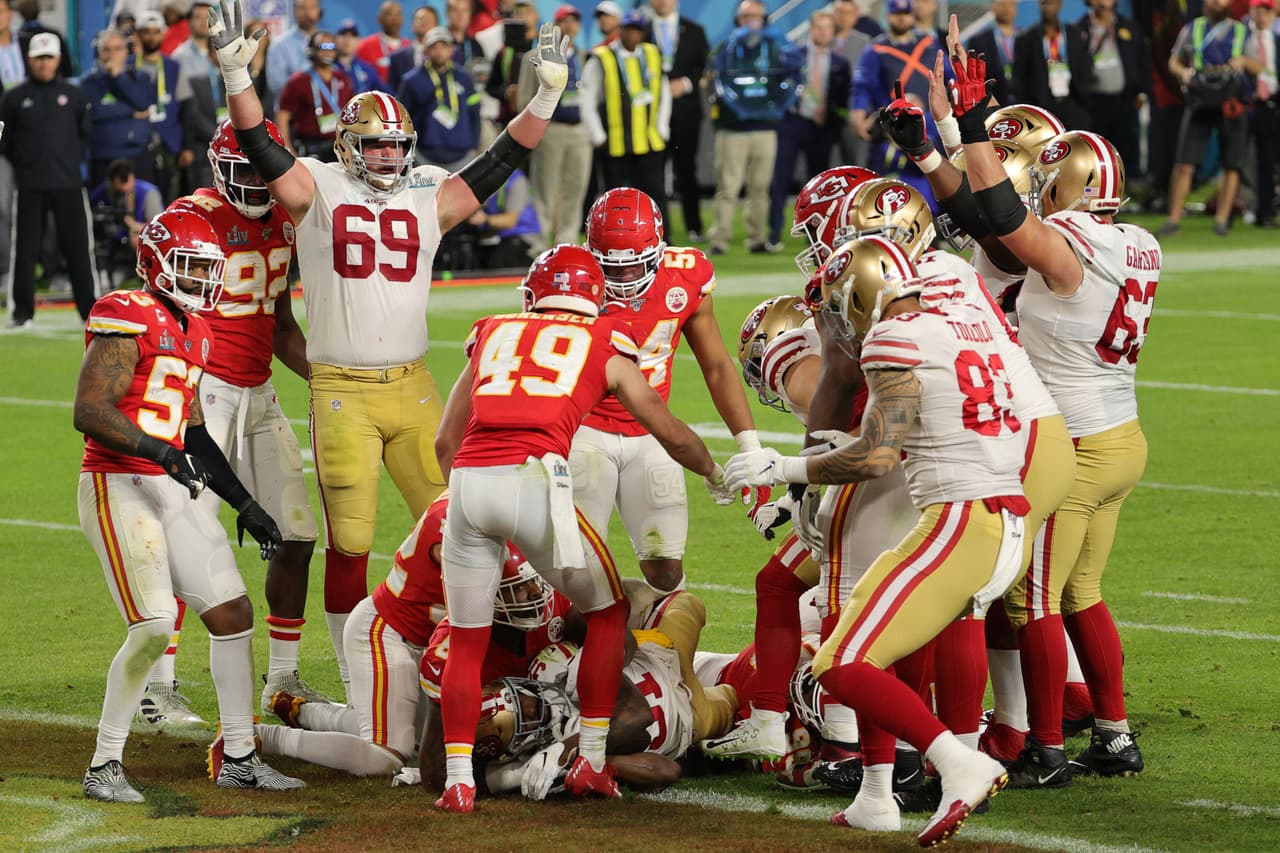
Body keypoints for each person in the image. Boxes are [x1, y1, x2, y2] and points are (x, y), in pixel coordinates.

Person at [209, 0, 575, 697]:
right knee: (349, 541)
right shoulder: (316, 183)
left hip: (413, 387)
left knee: (459, 524)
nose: (386, 157)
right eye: (374, 145)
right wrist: (237, 79)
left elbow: (499, 161)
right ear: (349, 144)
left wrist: (546, 97)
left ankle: (492, 655)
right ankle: (356, 675)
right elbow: (262, 146)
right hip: (342, 388)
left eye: (394, 146)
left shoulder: (427, 191)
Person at [723, 236, 1026, 842]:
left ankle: (959, 763)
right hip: (1003, 513)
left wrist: (786, 470)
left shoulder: (893, 334)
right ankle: (876, 795)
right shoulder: (958, 318)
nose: (835, 324)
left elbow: (877, 456)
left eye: (839, 305)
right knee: (896, 646)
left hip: (957, 520)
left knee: (840, 661)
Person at [430, 243, 730, 812]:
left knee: (466, 642)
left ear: (531, 294)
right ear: (596, 296)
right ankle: (591, 760)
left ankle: (458, 782)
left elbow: (446, 441)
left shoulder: (491, 330)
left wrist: (472, 509)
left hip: (468, 485)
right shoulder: (605, 341)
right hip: (534, 481)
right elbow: (667, 430)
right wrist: (715, 472)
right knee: (609, 613)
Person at [954, 44, 1158, 781]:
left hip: (1074, 445)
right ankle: (1113, 732)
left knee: (1031, 597)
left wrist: (972, 122)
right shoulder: (1140, 243)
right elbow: (996, 227)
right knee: (1082, 591)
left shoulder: (1071, 246)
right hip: (1123, 435)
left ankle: (1043, 746)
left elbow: (1005, 219)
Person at [74, 205, 301, 801]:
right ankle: (104, 766)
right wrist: (159, 451)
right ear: (155, 263)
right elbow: (91, 411)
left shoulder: (199, 332)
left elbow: (195, 434)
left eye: (208, 270)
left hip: (168, 485)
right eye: (189, 267)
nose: (202, 281)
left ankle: (240, 757)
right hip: (118, 483)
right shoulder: (127, 313)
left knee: (231, 613)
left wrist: (246, 503)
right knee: (151, 625)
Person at [573, 188, 757, 596]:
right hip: (582, 432)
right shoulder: (570, 279)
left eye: (633, 267)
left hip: (652, 433)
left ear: (659, 251)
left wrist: (750, 445)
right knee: (578, 565)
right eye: (611, 269)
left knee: (667, 570)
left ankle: (661, 648)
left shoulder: (686, 274)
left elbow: (716, 365)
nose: (622, 281)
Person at [1, 33, 97, 327]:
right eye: (39, 58)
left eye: (49, 57)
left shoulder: (75, 95)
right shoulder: (14, 97)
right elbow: (5, 140)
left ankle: (90, 312)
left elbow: (85, 135)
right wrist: (26, 162)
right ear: (29, 59)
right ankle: (21, 312)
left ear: (58, 59)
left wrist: (69, 162)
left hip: (68, 184)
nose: (44, 63)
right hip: (29, 185)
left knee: (80, 248)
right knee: (25, 251)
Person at [708, 1, 804, 255]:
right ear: (737, 19)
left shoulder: (774, 47)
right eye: (746, 16)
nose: (751, 21)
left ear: (764, 20)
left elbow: (790, 76)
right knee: (728, 187)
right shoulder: (725, 48)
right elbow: (712, 80)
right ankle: (719, 239)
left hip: (765, 127)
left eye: (756, 17)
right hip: (732, 129)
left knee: (760, 187)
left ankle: (757, 238)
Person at [1163, 0, 1262, 235]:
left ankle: (1221, 220)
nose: (1217, 3)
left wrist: (1244, 62)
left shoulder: (1241, 31)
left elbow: (1259, 67)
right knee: (1185, 163)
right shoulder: (1193, 29)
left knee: (1232, 164)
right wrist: (1183, 73)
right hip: (1200, 101)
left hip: (1231, 103)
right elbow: (1174, 61)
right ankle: (1173, 218)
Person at [851, 0, 949, 206]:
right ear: (888, 16)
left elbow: (949, 77)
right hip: (891, 130)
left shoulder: (930, 44)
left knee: (937, 179)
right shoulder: (876, 49)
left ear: (913, 16)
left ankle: (935, 228)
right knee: (889, 189)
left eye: (906, 13)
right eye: (897, 13)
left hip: (930, 127)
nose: (902, 17)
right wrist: (858, 111)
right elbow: (862, 85)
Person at [767, 12, 851, 250]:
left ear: (832, 32)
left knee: (818, 186)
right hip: (792, 123)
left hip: (821, 128)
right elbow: (778, 88)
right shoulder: (792, 57)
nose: (822, 32)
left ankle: (815, 238)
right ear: (811, 30)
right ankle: (774, 234)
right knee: (780, 180)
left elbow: (843, 98)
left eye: (827, 28)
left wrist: (830, 113)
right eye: (818, 28)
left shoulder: (840, 63)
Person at [581, 11, 670, 227]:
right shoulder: (602, 57)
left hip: (649, 140)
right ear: (621, 30)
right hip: (615, 142)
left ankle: (662, 239)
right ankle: (612, 238)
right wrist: (597, 135)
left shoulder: (652, 54)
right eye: (629, 29)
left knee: (656, 196)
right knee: (614, 199)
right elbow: (587, 97)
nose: (633, 34)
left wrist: (662, 127)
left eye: (637, 30)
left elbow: (664, 92)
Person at [518, 4, 590, 247]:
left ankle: (567, 242)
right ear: (555, 26)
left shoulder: (583, 56)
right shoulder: (534, 56)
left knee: (575, 189)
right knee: (545, 189)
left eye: (573, 21)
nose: (569, 25)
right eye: (564, 21)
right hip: (551, 129)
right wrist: (534, 129)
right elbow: (523, 97)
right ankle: (539, 243)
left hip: (579, 130)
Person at [646, 0, 710, 244]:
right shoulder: (641, 31)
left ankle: (694, 226)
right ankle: (658, 232)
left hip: (686, 113)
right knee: (653, 175)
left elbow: (704, 66)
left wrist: (684, 84)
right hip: (650, 115)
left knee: (687, 171)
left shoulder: (694, 30)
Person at [1079, 0, 1150, 184]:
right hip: (1092, 102)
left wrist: (1141, 91)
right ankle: (1094, 190)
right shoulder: (1079, 28)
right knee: (1093, 150)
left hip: (1124, 100)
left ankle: (1123, 192)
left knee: (1123, 149)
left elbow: (1142, 60)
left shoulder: (1129, 27)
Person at [82, 29, 158, 188]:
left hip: (137, 156)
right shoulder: (89, 82)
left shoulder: (141, 77)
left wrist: (118, 76)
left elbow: (143, 104)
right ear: (99, 53)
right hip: (103, 158)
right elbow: (95, 112)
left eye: (117, 49)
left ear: (125, 52)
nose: (112, 54)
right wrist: (131, 111)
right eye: (106, 49)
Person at [399, 27, 482, 171]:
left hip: (462, 155)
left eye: (443, 46)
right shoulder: (411, 80)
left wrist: (474, 146)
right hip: (423, 155)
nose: (439, 51)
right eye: (434, 47)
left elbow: (475, 113)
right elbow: (401, 119)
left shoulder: (465, 78)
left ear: (452, 49)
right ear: (426, 50)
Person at [1011, 0, 1095, 132]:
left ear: (1060, 4)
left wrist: (1085, 96)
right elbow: (1020, 78)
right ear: (1039, 5)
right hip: (1042, 108)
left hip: (1073, 104)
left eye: (1051, 3)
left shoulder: (1075, 33)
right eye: (1044, 3)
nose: (1048, 7)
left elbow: (1085, 65)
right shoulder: (1026, 38)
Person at [276, 31, 356, 162]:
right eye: (323, 47)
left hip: (340, 145)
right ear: (311, 50)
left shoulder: (342, 78)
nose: (327, 52)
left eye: (331, 48)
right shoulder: (297, 81)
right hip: (310, 147)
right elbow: (282, 117)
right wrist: (288, 150)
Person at [132, 11, 185, 201]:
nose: (151, 36)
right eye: (146, 32)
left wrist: (186, 146)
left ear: (163, 34)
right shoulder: (128, 66)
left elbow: (186, 109)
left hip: (169, 144)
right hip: (137, 144)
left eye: (156, 32)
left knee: (170, 198)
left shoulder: (174, 66)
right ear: (137, 34)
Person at [471, 167, 541, 268]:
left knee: (498, 261)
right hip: (499, 236)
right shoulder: (489, 180)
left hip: (523, 236)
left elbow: (511, 221)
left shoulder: (516, 180)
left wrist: (485, 219)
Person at [90, 158, 164, 253]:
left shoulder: (149, 193)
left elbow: (160, 230)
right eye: (118, 189)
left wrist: (135, 226)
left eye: (124, 183)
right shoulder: (104, 190)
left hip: (139, 234)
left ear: (132, 177)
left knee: (136, 240)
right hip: (113, 236)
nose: (122, 190)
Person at [1249, 0, 1279, 227]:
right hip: (1248, 105)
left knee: (1268, 162)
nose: (1262, 15)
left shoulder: (1277, 42)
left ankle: (1266, 211)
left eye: (1266, 11)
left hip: (1272, 106)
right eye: (1258, 10)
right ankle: (1247, 208)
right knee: (1243, 161)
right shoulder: (1243, 40)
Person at [965, 0, 1020, 107]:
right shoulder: (978, 40)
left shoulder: (1027, 38)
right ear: (993, 7)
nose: (1007, 9)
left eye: (1011, 4)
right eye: (1002, 4)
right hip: (992, 102)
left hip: (1022, 102)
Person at [266, 0, 321, 105]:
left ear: (319, 11)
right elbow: (276, 85)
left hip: (327, 115)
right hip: (292, 114)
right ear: (295, 11)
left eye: (312, 7)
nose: (308, 13)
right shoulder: (279, 45)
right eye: (303, 8)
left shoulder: (328, 42)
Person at [389, 4, 445, 93]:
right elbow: (392, 91)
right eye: (420, 19)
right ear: (412, 25)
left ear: (437, 26)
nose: (423, 23)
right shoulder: (397, 58)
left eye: (428, 20)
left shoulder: (449, 54)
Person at [357, 1, 410, 83]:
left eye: (398, 14)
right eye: (389, 14)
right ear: (379, 19)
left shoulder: (409, 47)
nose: (394, 19)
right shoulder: (365, 46)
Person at [336, 19, 388, 95]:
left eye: (353, 35)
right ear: (335, 39)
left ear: (359, 40)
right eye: (343, 34)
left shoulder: (368, 69)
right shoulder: (327, 68)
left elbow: (387, 95)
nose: (347, 39)